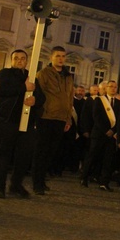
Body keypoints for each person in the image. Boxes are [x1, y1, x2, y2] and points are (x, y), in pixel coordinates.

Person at [0, 50, 45, 199]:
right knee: (3, 154)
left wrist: (35, 101)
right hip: (7, 120)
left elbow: (41, 97)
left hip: (26, 121)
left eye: (22, 58)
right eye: (16, 58)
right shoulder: (4, 74)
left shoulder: (32, 76)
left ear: (26, 61)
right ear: (11, 60)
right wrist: (24, 88)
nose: (19, 61)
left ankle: (16, 185)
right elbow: (2, 89)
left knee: (24, 155)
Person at [32, 46, 74, 195]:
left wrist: (68, 118)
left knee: (51, 152)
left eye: (63, 56)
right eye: (58, 56)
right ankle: (36, 182)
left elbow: (70, 98)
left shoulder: (68, 76)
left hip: (61, 118)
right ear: (51, 57)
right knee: (41, 152)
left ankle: (42, 180)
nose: (61, 59)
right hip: (46, 117)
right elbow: (39, 95)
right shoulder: (43, 74)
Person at [80, 80, 120, 192]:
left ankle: (104, 182)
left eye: (115, 87)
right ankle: (84, 177)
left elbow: (119, 120)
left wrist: (113, 130)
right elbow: (96, 116)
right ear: (106, 88)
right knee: (92, 156)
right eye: (111, 86)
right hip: (99, 133)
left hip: (111, 136)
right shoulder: (99, 100)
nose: (113, 88)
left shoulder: (119, 103)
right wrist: (105, 130)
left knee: (108, 159)